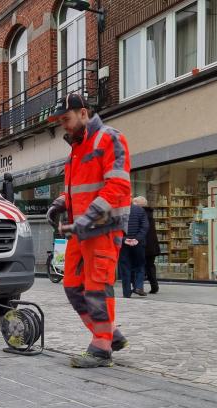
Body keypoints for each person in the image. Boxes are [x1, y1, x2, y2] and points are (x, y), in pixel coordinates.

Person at [45, 93, 132, 368]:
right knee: (72, 287)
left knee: (96, 287)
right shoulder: (76, 149)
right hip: (80, 230)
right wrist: (59, 203)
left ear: (83, 113)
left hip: (103, 229)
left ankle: (101, 348)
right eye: (60, 121)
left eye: (66, 119)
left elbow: (118, 187)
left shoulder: (109, 138)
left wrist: (88, 218)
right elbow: (76, 189)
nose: (63, 126)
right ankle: (109, 334)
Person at [119, 197, 149, 297]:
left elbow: (115, 228)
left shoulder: (118, 211)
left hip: (124, 244)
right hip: (138, 244)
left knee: (125, 267)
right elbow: (145, 226)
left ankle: (126, 292)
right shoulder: (140, 210)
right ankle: (139, 287)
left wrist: (124, 239)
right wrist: (137, 239)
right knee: (140, 265)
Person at [142, 197, 160, 294]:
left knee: (142, 266)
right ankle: (154, 285)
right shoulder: (150, 214)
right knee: (150, 266)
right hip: (152, 245)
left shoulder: (142, 214)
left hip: (145, 245)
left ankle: (139, 286)